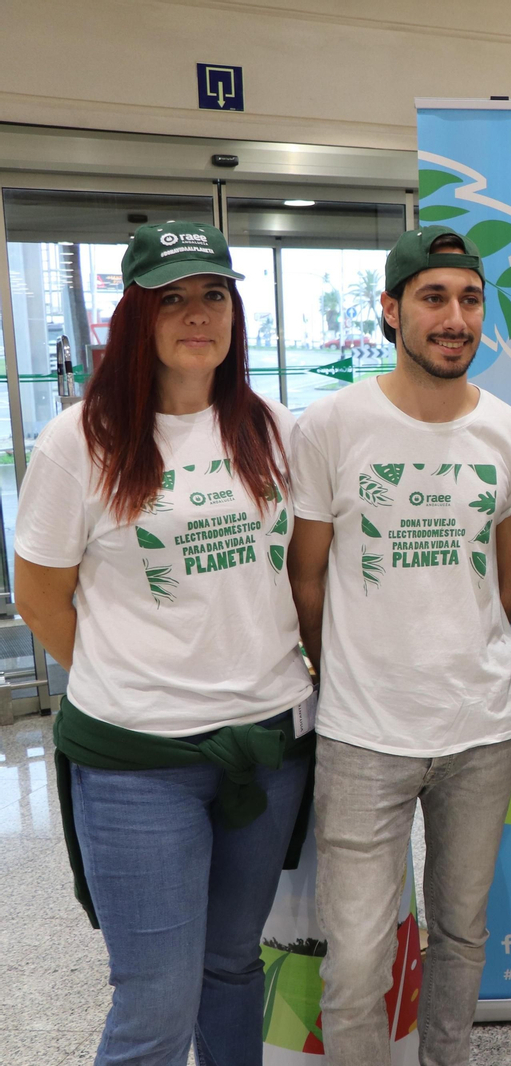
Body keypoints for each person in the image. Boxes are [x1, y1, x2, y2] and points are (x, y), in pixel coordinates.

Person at [14, 221, 313, 1065]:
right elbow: (38, 599)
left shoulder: (273, 428)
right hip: (137, 764)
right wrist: (135, 675)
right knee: (154, 1002)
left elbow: (291, 575)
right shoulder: (81, 440)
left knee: (231, 969)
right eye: (172, 297)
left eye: (213, 294)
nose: (197, 313)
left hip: (268, 748)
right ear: (135, 316)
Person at [286, 225, 511, 1065]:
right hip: (363, 735)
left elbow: (504, 589)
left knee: (461, 931)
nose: (455, 318)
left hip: (480, 731)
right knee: (358, 959)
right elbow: (307, 579)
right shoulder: (331, 427)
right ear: (391, 311)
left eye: (470, 300)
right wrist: (349, 671)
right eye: (434, 298)